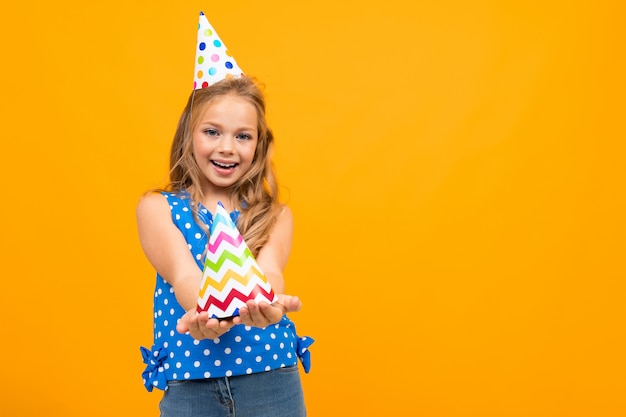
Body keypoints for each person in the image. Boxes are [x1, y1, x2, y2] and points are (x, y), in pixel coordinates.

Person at [136, 12, 313, 417]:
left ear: (259, 144)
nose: (228, 147)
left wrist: (266, 304)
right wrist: (205, 310)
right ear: (189, 134)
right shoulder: (158, 209)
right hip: (191, 384)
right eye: (212, 132)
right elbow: (184, 275)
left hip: (272, 376)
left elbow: (269, 273)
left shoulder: (274, 215)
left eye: (243, 136)